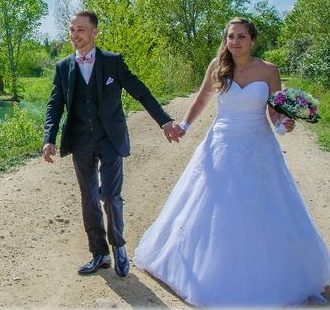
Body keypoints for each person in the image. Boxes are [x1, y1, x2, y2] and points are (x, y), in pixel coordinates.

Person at [134, 17, 330, 307]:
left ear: (253, 40)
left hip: (258, 146)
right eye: (230, 36)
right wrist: (184, 126)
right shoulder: (217, 66)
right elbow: (201, 100)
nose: (235, 42)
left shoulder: (269, 71)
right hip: (220, 144)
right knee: (215, 208)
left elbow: (275, 112)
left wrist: (282, 125)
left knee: (263, 208)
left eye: (241, 36)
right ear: (225, 40)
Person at [42, 10, 182, 277]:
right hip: (81, 140)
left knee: (110, 195)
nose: (75, 35)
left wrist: (164, 121)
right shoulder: (63, 67)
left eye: (81, 30)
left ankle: (118, 246)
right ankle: (99, 254)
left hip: (111, 138)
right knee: (89, 197)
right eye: (72, 30)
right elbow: (54, 105)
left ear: (95, 32)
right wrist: (49, 138)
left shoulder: (113, 62)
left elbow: (140, 92)